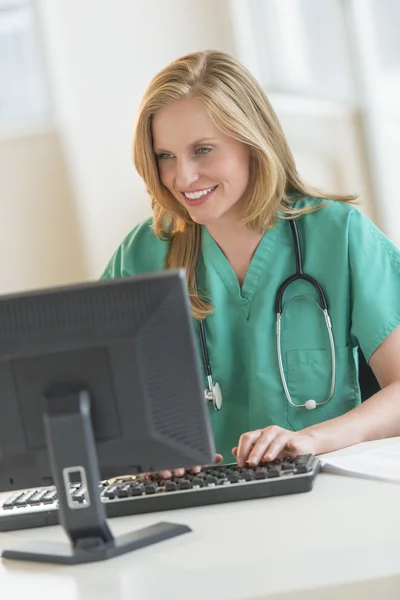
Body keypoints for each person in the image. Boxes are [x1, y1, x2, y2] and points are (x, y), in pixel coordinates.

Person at [101, 50, 400, 477]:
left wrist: (311, 439)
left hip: (324, 492)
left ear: (251, 141)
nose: (183, 178)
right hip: (198, 508)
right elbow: (101, 404)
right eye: (165, 155)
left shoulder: (340, 235)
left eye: (202, 150)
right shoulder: (143, 254)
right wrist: (149, 451)